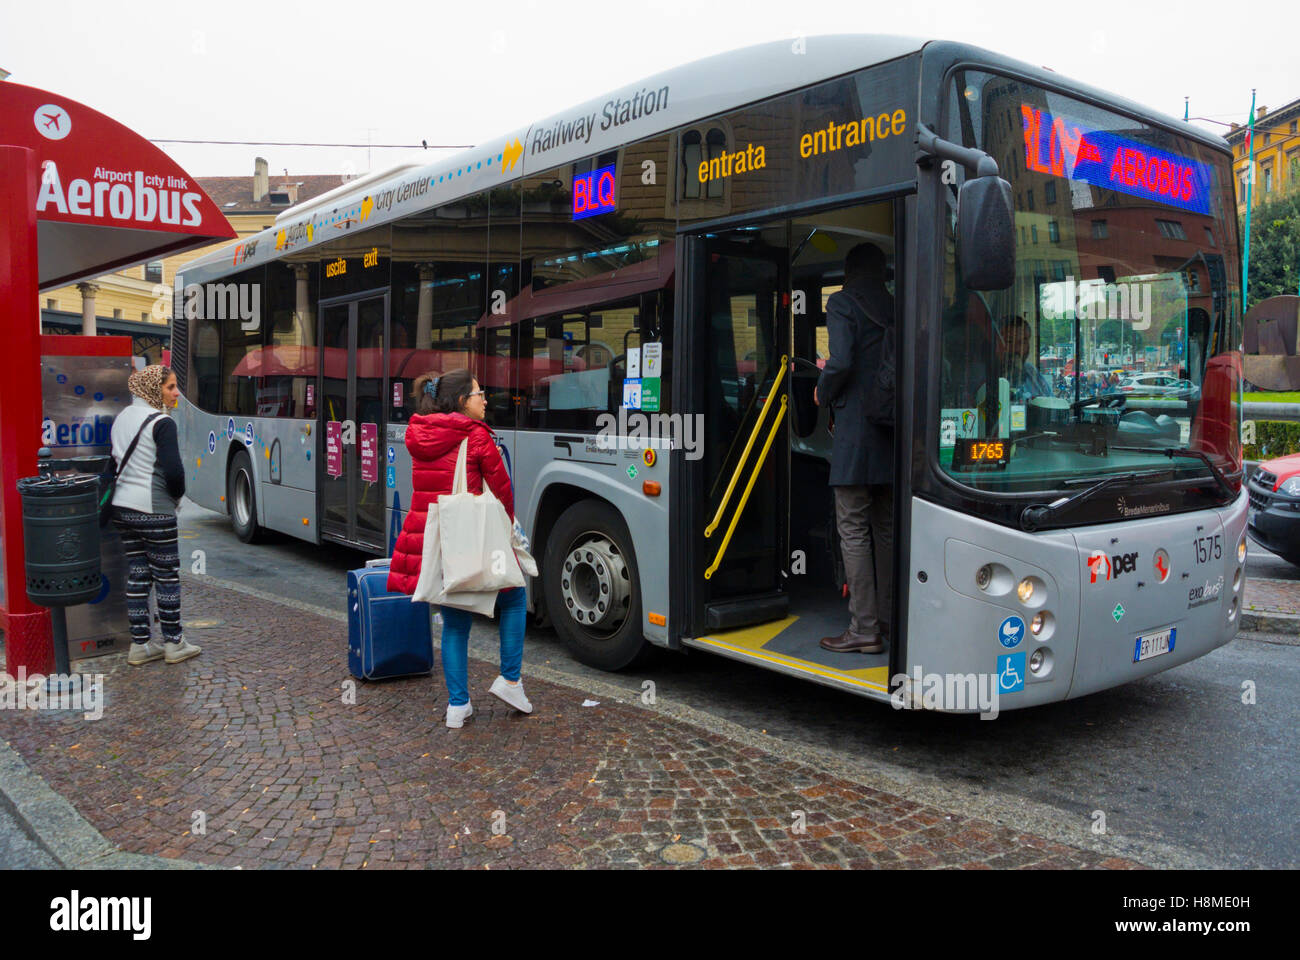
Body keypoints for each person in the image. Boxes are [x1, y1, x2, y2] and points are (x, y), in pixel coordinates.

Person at [386, 369, 530, 728]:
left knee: (454, 622)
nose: (485, 399)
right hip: (472, 540)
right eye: (480, 393)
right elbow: (503, 492)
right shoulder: (476, 436)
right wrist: (506, 531)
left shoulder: (421, 434)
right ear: (464, 401)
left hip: (439, 545)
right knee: (514, 598)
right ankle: (511, 681)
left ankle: (457, 706)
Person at [814, 243, 894, 654]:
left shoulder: (843, 303)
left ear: (848, 271)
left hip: (855, 436)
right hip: (890, 434)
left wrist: (821, 391)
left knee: (853, 529)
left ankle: (863, 628)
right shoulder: (895, 306)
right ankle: (885, 618)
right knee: (884, 529)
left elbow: (841, 362)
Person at [111, 365, 201, 665]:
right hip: (154, 510)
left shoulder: (122, 418)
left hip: (122, 508)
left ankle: (140, 645)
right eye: (170, 387)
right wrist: (175, 497)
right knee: (166, 576)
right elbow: (174, 471)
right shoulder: (162, 423)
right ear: (153, 389)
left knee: (138, 575)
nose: (176, 394)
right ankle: (174, 643)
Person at [998, 317, 1053, 401]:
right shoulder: (986, 375)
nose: (1016, 348)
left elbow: (1050, 402)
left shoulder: (1031, 371)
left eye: (1022, 342)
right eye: (1009, 341)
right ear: (997, 344)